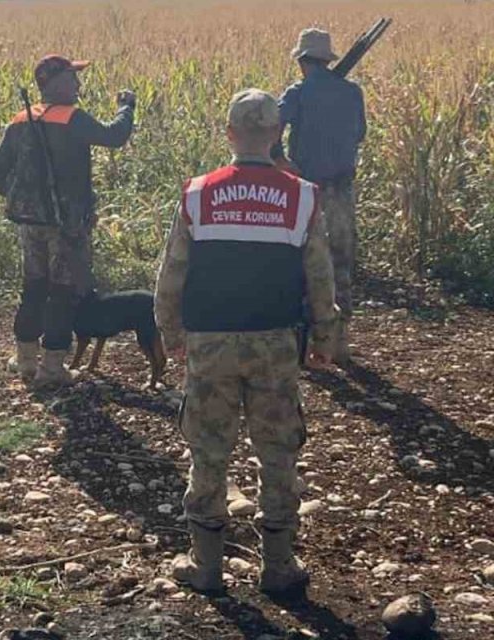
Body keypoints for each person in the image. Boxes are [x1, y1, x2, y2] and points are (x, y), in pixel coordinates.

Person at [156, 89, 339, 596]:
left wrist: (171, 332)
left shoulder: (197, 193)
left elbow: (172, 273)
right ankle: (278, 567)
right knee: (278, 451)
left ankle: (206, 567)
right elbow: (319, 276)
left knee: (208, 449)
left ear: (231, 132)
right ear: (277, 133)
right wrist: (324, 335)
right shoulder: (303, 195)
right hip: (276, 343)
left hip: (209, 341)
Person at [0, 55, 136, 388]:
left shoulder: (20, 119)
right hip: (68, 227)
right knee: (62, 293)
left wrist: (25, 202)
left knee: (33, 289)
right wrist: (127, 107)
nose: (78, 84)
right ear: (54, 83)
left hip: (29, 224)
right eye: (72, 77)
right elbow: (114, 137)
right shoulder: (73, 119)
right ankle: (52, 369)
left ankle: (25, 360)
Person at [275, 28, 366, 365]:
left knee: (305, 263)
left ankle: (305, 342)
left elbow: (271, 127)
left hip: (307, 191)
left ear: (301, 60)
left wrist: (281, 160)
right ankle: (339, 342)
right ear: (327, 60)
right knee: (340, 261)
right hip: (342, 189)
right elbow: (359, 135)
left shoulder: (298, 92)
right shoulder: (352, 92)